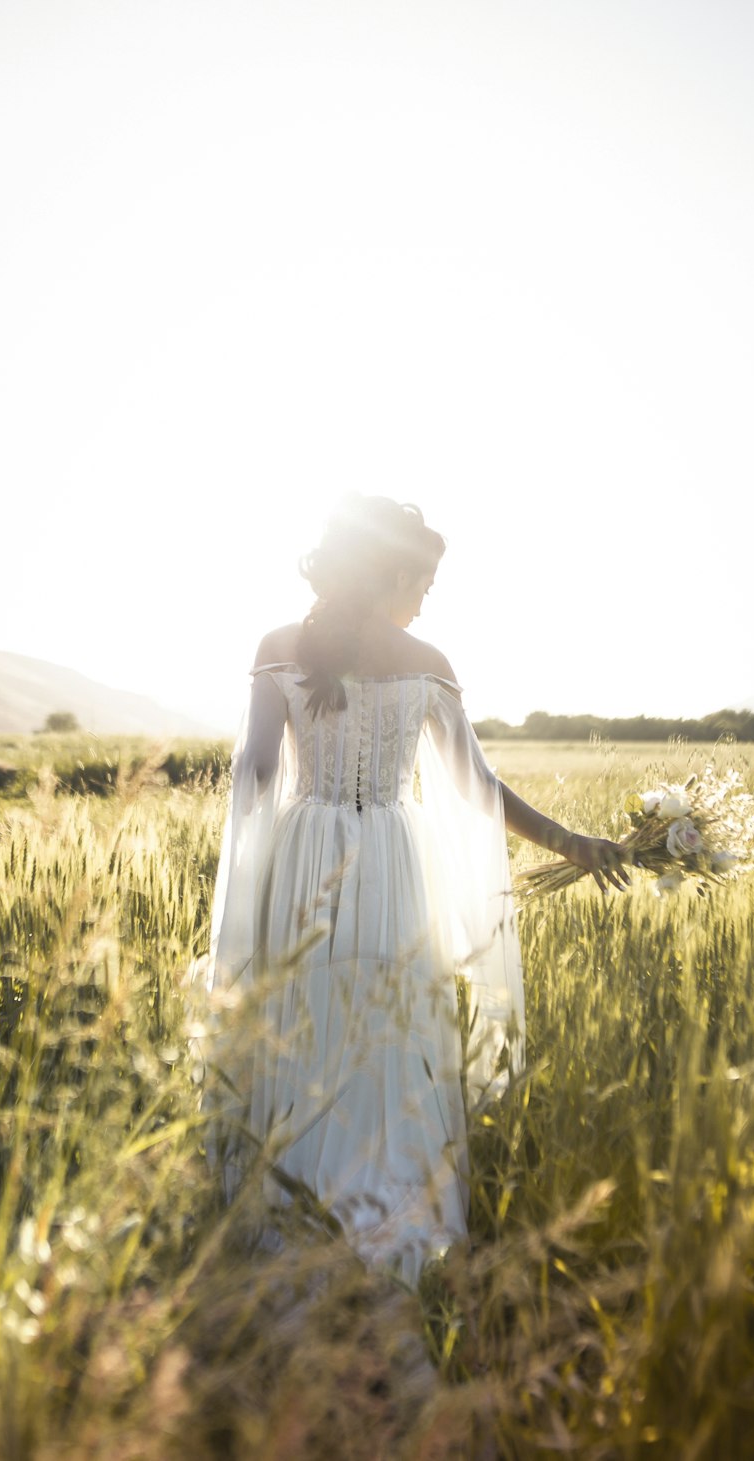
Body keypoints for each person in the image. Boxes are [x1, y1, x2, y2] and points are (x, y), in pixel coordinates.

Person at [196, 496, 628, 1286]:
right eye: (423, 579)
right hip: (395, 858)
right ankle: (391, 1209)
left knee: (307, 1021)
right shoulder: (428, 659)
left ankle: (300, 1209)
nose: (427, 596)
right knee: (393, 1032)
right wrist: (574, 841)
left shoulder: (280, 645)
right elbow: (479, 789)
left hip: (305, 858)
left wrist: (248, 857)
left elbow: (255, 769)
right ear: (392, 570)